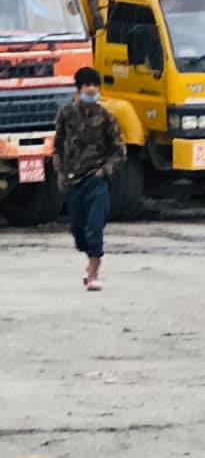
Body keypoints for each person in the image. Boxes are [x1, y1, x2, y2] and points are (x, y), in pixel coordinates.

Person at [53, 65, 124, 292]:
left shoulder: (106, 118)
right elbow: (58, 144)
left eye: (95, 85)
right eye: (87, 85)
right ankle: (89, 259)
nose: (92, 90)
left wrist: (105, 170)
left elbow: (120, 150)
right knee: (78, 230)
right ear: (79, 88)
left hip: (96, 180)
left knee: (95, 227)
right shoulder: (67, 114)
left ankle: (93, 273)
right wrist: (61, 172)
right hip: (75, 180)